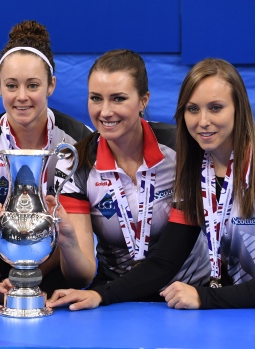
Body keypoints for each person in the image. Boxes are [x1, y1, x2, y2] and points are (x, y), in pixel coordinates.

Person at [43, 49, 210, 311]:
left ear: (144, 100)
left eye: (118, 99)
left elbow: (170, 257)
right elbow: (82, 275)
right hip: (117, 302)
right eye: (96, 98)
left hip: (184, 297)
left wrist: (103, 295)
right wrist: (68, 241)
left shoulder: (181, 149)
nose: (105, 111)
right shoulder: (75, 163)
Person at [158, 58, 255, 308]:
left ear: (238, 109)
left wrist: (203, 297)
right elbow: (165, 261)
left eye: (215, 107)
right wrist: (103, 295)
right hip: (247, 308)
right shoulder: (196, 169)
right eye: (192, 109)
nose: (202, 121)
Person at [0, 20, 92, 302]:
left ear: (51, 85)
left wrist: (26, 277)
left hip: (54, 279)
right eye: (11, 85)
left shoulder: (79, 141)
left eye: (33, 85)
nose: (21, 97)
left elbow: (73, 240)